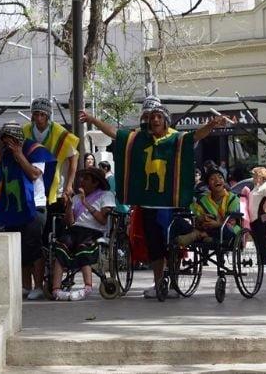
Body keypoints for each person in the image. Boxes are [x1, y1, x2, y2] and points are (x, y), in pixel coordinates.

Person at [78, 95, 229, 299]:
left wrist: (211, 124)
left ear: (165, 120)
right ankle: (159, 283)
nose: (154, 120)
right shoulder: (139, 139)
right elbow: (115, 133)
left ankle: (174, 283)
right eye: (151, 117)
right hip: (148, 206)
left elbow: (196, 136)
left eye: (158, 117)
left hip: (170, 206)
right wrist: (94, 120)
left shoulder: (176, 139)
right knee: (155, 248)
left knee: (174, 245)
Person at [0, 122, 57, 300]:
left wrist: (19, 154)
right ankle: (25, 285)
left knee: (33, 246)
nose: (8, 145)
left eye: (11, 141)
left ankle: (38, 285)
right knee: (18, 248)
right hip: (12, 207)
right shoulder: (2, 154)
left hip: (34, 206)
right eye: (4, 141)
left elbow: (33, 174)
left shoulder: (35, 150)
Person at [51, 168, 116, 300]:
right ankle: (56, 289)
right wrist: (69, 206)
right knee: (61, 244)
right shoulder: (76, 198)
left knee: (83, 246)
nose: (82, 181)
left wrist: (86, 204)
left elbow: (103, 221)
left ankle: (87, 287)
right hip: (75, 229)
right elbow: (70, 223)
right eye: (82, 178)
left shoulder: (106, 195)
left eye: (86, 179)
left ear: (96, 182)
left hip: (94, 231)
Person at [23, 97, 80, 244]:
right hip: (33, 185)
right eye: (36, 114)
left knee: (55, 225)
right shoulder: (26, 131)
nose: (39, 118)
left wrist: (68, 185)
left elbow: (73, 158)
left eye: (42, 114)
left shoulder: (60, 133)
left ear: (48, 115)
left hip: (56, 186)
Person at [175, 169, 240, 246]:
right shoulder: (203, 200)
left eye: (220, 177)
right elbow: (197, 220)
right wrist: (201, 219)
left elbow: (232, 222)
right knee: (177, 220)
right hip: (207, 228)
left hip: (226, 229)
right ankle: (204, 235)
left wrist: (217, 224)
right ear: (208, 184)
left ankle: (198, 235)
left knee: (227, 229)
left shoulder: (233, 198)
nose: (217, 180)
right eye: (212, 179)